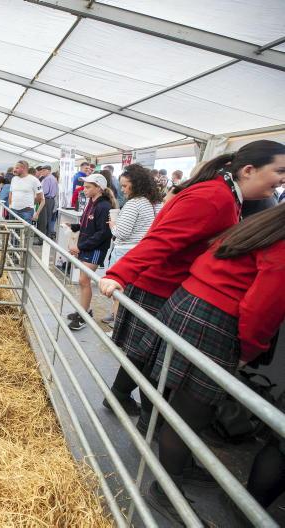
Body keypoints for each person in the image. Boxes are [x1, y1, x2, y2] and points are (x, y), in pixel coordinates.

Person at [98, 140, 285, 419]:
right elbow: (162, 239)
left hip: (165, 284)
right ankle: (146, 422)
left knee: (146, 356)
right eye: (279, 171)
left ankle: (124, 401)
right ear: (248, 170)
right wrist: (117, 273)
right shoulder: (215, 197)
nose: (282, 180)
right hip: (160, 285)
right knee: (150, 361)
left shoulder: (224, 195)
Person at [142, 204, 285, 522]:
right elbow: (262, 309)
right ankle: (166, 491)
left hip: (189, 303)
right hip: (215, 321)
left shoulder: (263, 224)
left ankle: (179, 468)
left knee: (181, 404)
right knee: (190, 414)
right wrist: (249, 350)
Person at [101, 165, 162, 327]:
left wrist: (113, 225)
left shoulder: (134, 203)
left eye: (125, 185)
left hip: (125, 251)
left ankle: (116, 324)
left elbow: (122, 233)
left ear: (137, 184)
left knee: (118, 290)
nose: (122, 189)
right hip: (139, 249)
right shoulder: (151, 202)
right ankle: (115, 317)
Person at [65, 174, 116, 331]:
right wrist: (74, 226)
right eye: (84, 186)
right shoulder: (91, 203)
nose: (84, 190)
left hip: (94, 249)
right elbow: (86, 224)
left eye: (88, 187)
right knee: (83, 281)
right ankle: (84, 310)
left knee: (84, 281)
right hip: (87, 247)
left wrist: (81, 247)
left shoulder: (104, 206)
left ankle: (84, 316)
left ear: (98, 188)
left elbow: (103, 233)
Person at [38, 165, 58, 239]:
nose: (42, 172)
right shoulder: (53, 178)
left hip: (46, 200)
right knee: (48, 219)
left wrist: (37, 194)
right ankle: (47, 237)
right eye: (42, 170)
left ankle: (41, 239)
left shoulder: (47, 179)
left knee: (43, 220)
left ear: (49, 171)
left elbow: (45, 191)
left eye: (44, 170)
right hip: (51, 200)